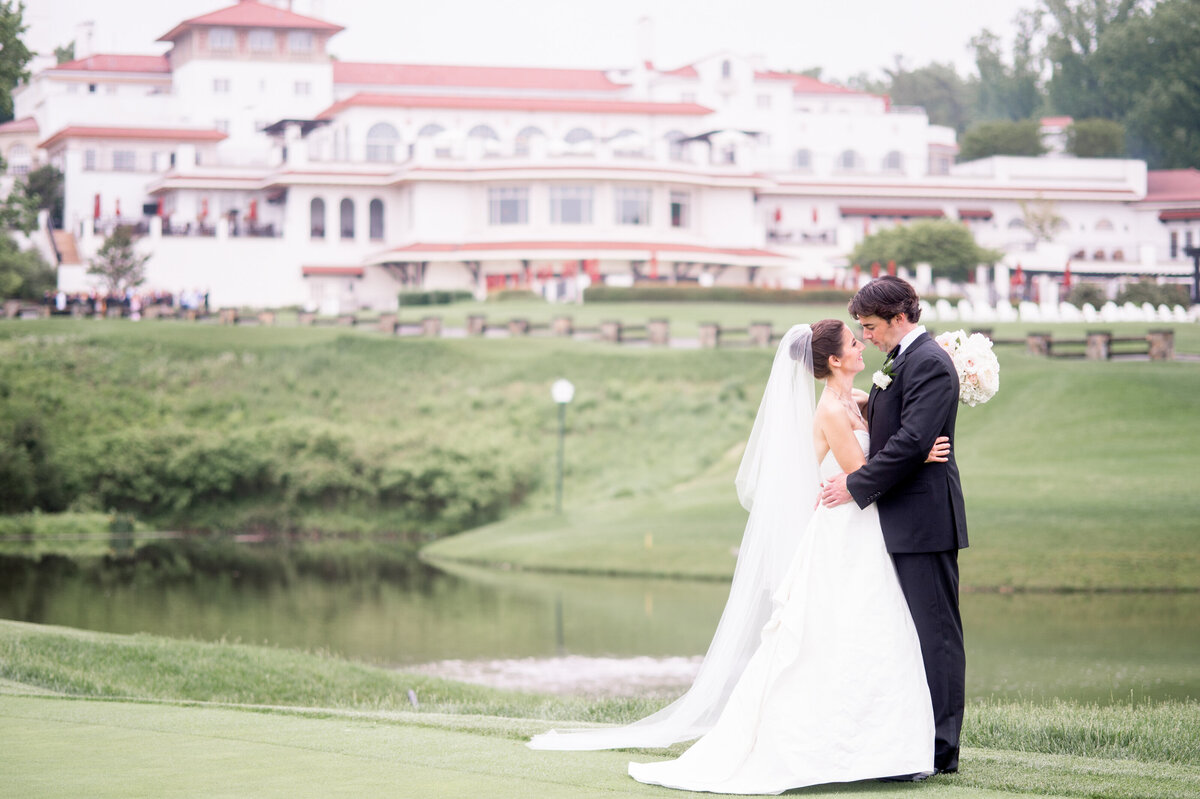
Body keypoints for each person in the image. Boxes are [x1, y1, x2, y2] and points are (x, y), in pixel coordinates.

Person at [531, 320, 950, 793]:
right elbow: (862, 475)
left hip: (860, 534)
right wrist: (920, 456)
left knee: (868, 633)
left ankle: (880, 746)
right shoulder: (831, 410)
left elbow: (883, 438)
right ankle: (836, 746)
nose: (861, 345)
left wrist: (912, 439)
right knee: (838, 635)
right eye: (854, 343)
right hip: (843, 533)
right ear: (835, 360)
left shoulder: (852, 401)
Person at [820, 276, 968, 776]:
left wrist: (856, 484)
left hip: (925, 519)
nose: (869, 337)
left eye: (871, 326)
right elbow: (904, 436)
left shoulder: (927, 362)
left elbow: (910, 440)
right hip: (901, 514)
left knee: (937, 635)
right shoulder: (903, 360)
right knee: (909, 634)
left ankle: (942, 750)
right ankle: (909, 737)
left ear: (899, 317)